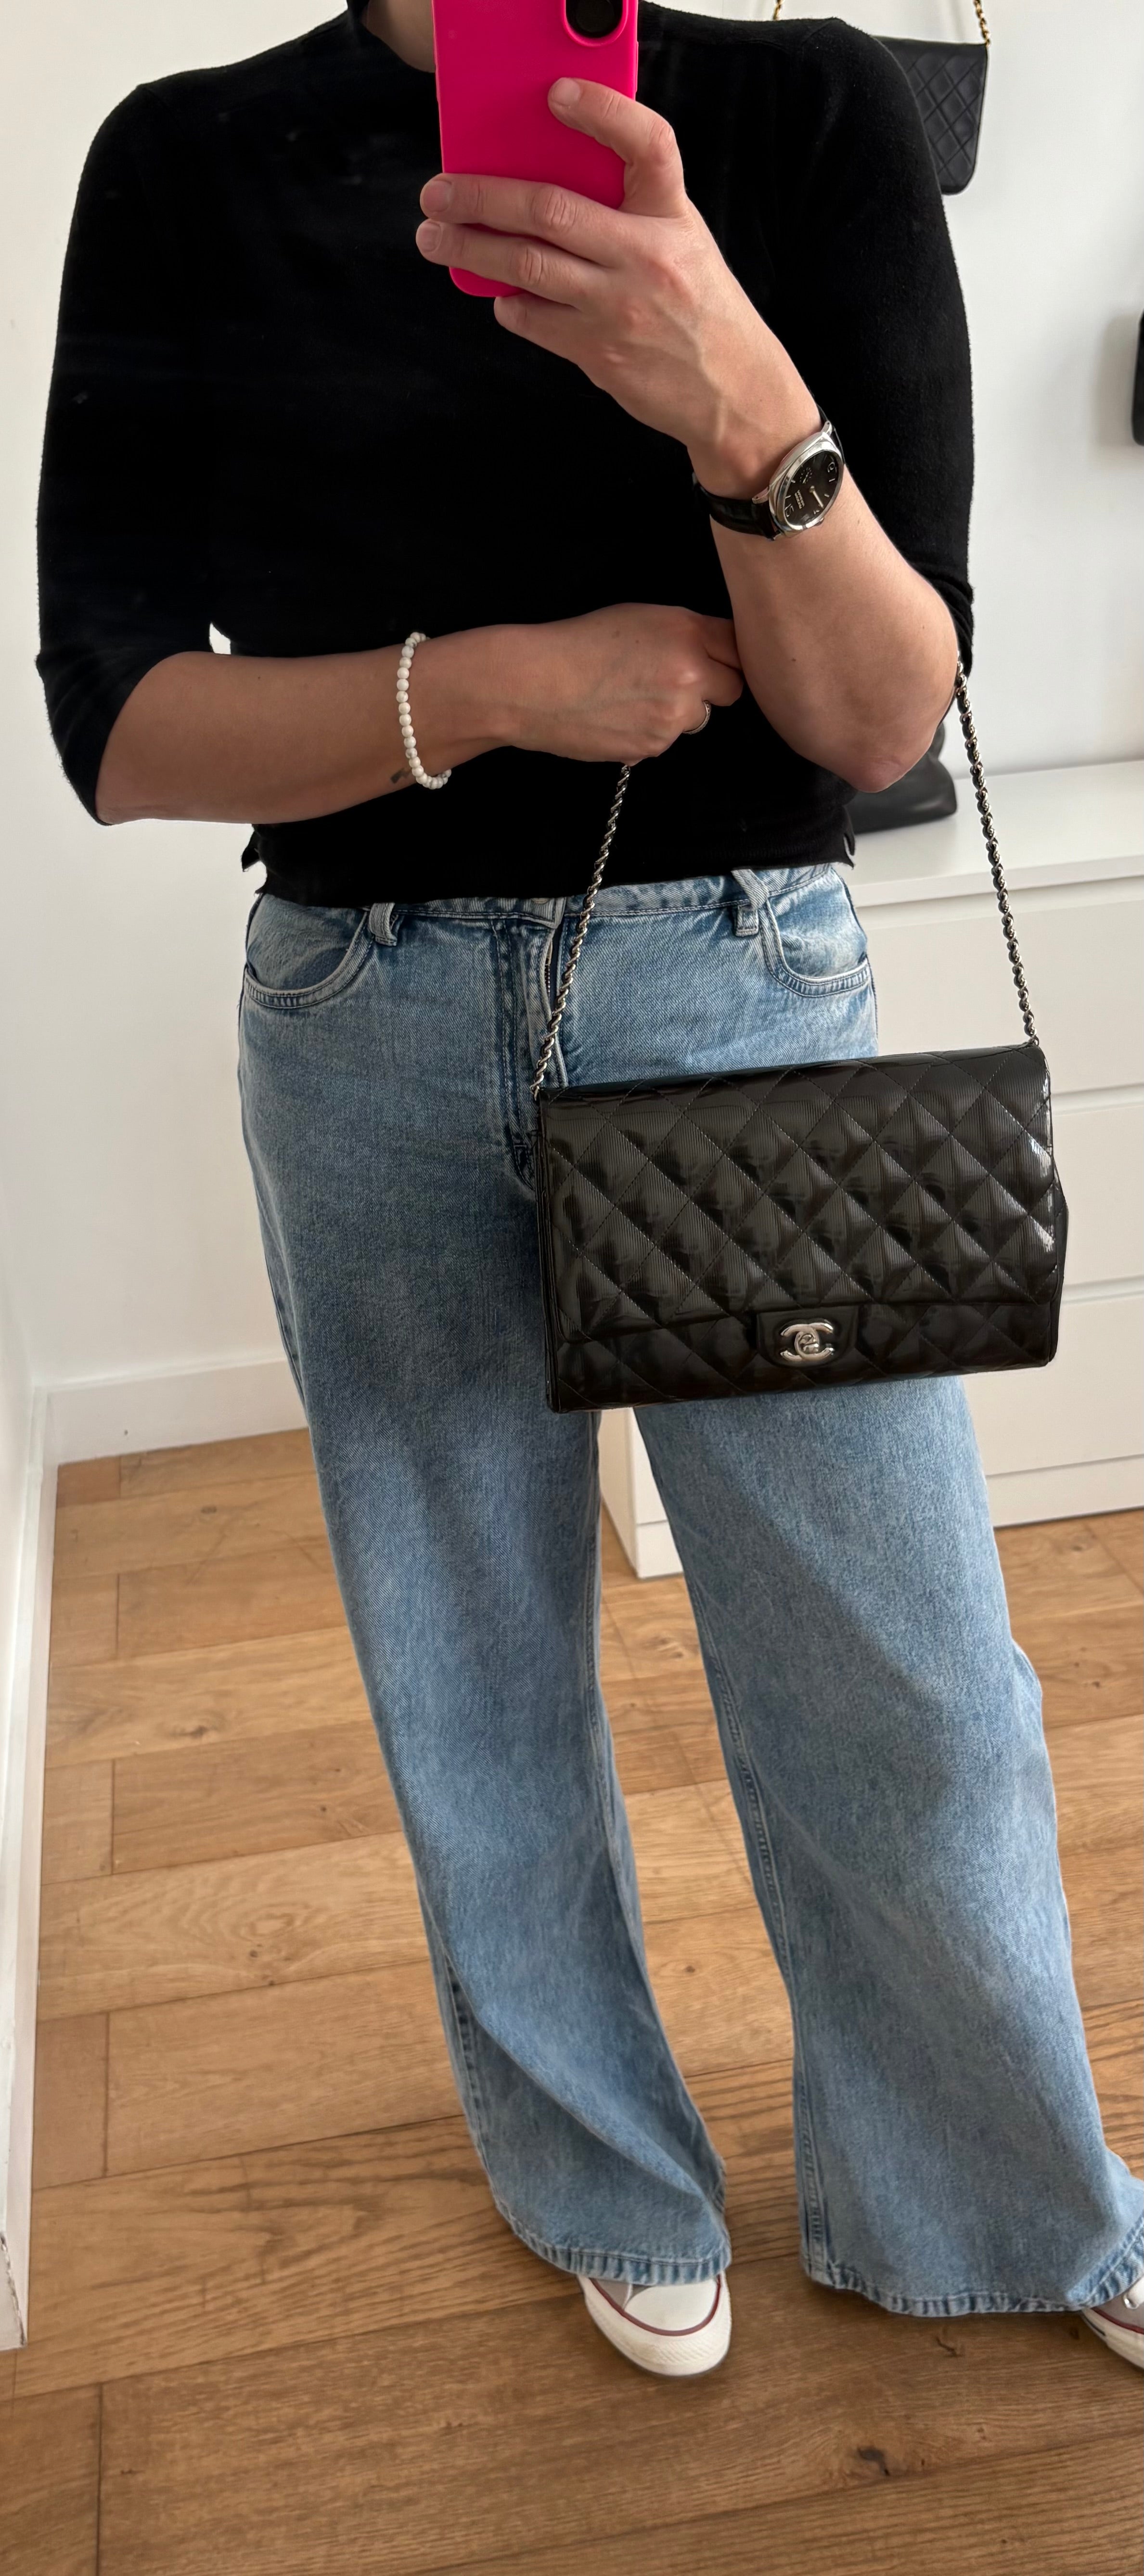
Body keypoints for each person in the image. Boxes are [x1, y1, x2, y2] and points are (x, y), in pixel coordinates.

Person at [37, 0, 1142, 2379]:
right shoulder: (187, 157)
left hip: (736, 983)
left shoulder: (808, 114)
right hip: (362, 1014)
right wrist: (501, 685)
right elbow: (115, 724)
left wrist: (727, 387)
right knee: (471, 1661)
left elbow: (880, 716)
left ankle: (1010, 2198)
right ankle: (602, 2175)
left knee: (909, 1682)